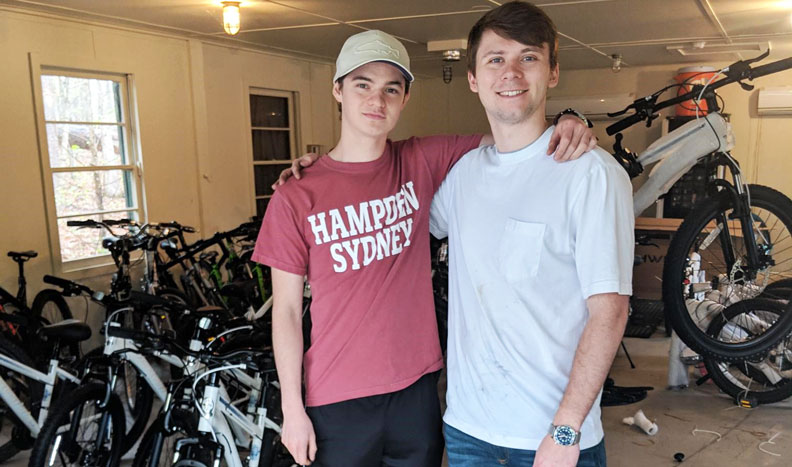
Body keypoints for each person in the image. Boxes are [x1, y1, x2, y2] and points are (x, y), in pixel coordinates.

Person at [252, 28, 595, 466]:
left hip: (416, 391)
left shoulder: (421, 160)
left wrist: (568, 118)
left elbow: (513, 136)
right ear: (338, 90)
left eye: (391, 89)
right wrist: (292, 409)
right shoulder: (296, 195)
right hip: (336, 397)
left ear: (405, 98)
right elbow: (283, 312)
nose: (377, 101)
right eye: (363, 85)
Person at [428, 2, 634, 466]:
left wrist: (565, 431)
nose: (511, 73)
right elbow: (399, 213)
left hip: (551, 438)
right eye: (496, 59)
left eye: (529, 57)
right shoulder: (462, 178)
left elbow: (611, 313)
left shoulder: (590, 175)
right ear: (474, 79)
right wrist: (321, 174)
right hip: (466, 432)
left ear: (553, 72)